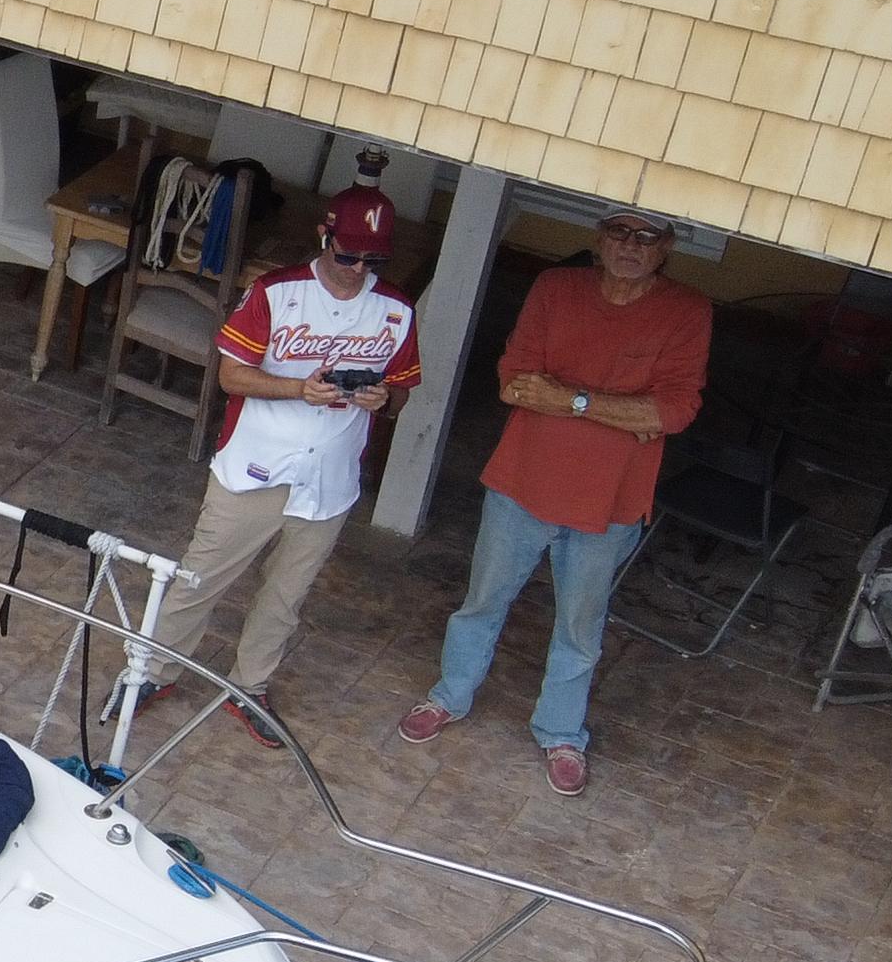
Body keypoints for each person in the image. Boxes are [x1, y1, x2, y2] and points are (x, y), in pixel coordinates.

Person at [399, 209, 712, 795]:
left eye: (647, 237)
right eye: (620, 231)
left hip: (611, 502)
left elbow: (672, 412)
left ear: (666, 247)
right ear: (598, 238)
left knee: (580, 626)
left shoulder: (687, 311)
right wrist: (623, 411)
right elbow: (514, 382)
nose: (631, 245)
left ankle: (562, 733)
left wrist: (570, 400)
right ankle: (449, 696)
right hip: (523, 482)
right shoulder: (556, 288)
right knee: (482, 601)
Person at [126, 186, 421, 748]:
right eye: (348, 255)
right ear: (324, 237)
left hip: (329, 479)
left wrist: (384, 400)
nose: (358, 269)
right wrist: (297, 389)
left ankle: (250, 685)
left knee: (287, 594)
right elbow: (230, 375)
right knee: (198, 579)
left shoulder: (397, 310)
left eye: (373, 260)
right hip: (254, 466)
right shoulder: (276, 292)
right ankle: (150, 674)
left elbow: (403, 392)